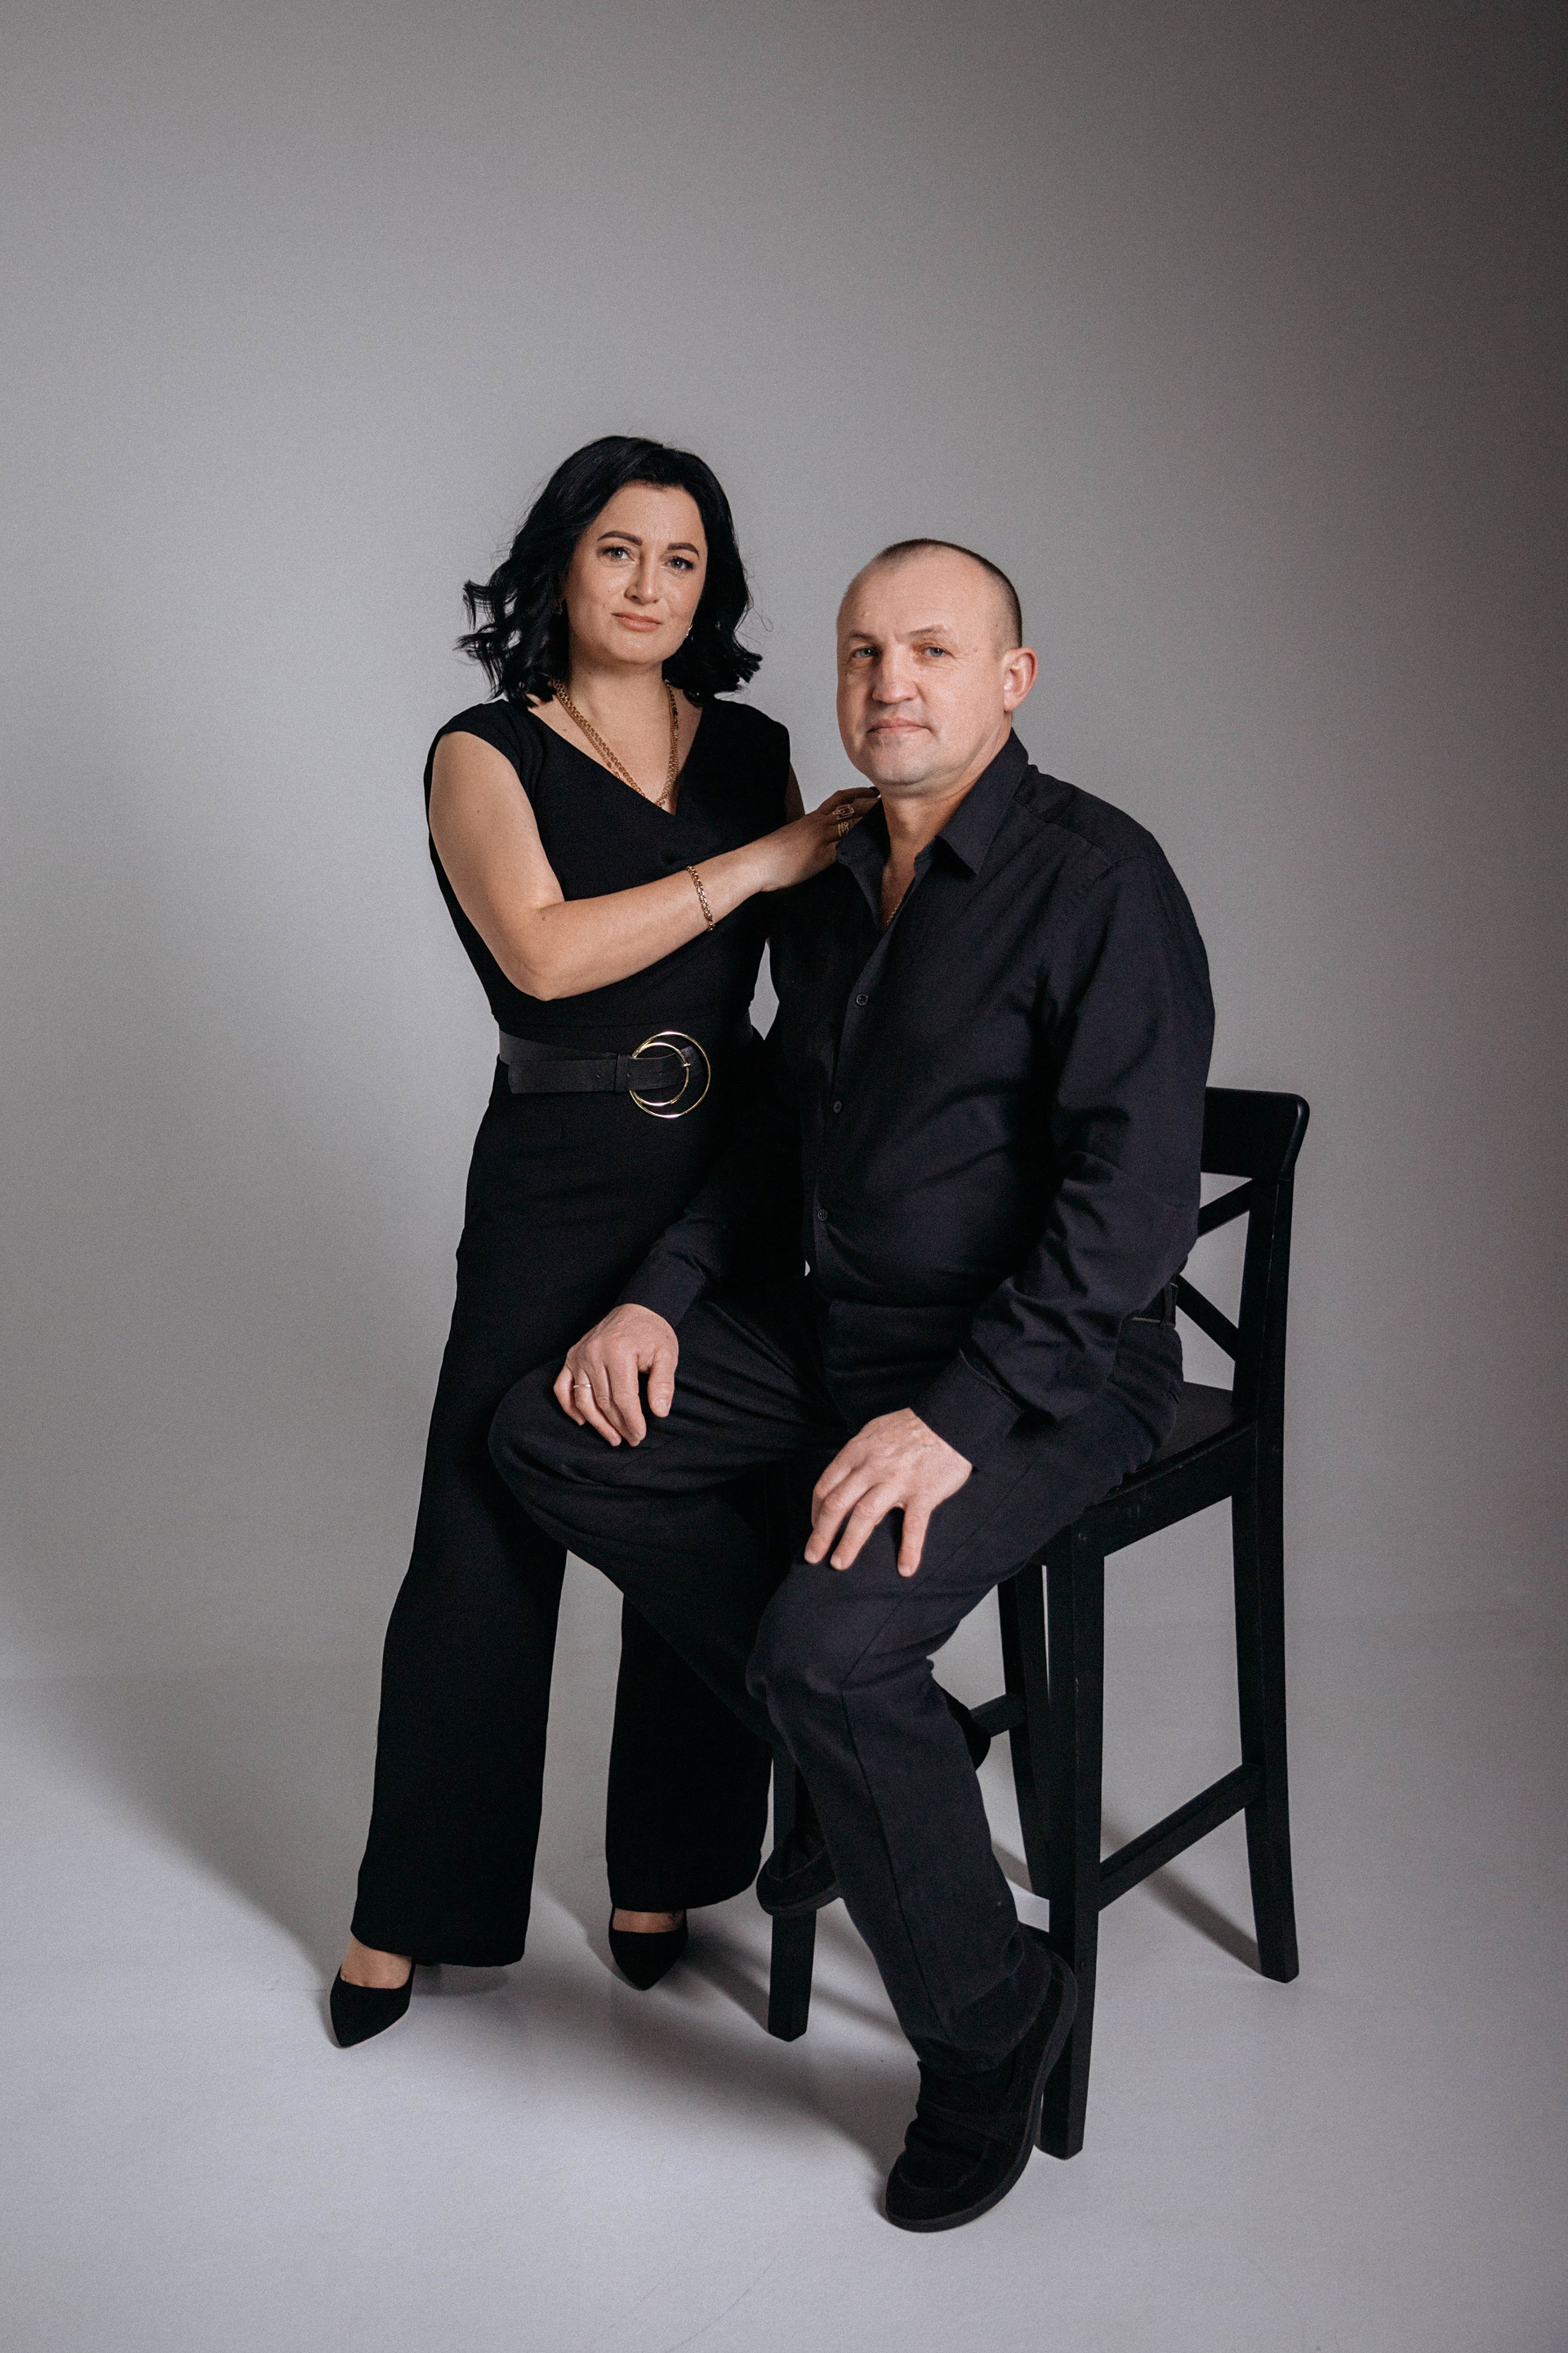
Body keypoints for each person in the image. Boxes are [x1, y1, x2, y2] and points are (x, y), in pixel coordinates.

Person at [489, 537, 1214, 2230]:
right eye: (864, 652)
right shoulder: (828, 883)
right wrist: (660, 1296)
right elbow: (767, 1137)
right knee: (550, 1432)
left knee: (826, 1649)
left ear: (1011, 681)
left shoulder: (1101, 879)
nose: (892, 682)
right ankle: (889, 1749)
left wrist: (953, 1420)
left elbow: (1130, 1212)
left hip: (1048, 1369)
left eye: (934, 651)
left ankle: (990, 2022)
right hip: (836, 1334)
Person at [332, 436, 875, 2048]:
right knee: (482, 1529)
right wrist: (765, 858)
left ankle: (669, 1874)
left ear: (713, 587)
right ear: (562, 564)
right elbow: (547, 955)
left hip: (731, 1174)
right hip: (558, 1168)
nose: (649, 585)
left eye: (681, 559)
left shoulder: (752, 745)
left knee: (695, 1497)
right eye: (619, 550)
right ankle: (409, 1908)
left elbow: (821, 961)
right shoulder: (486, 749)